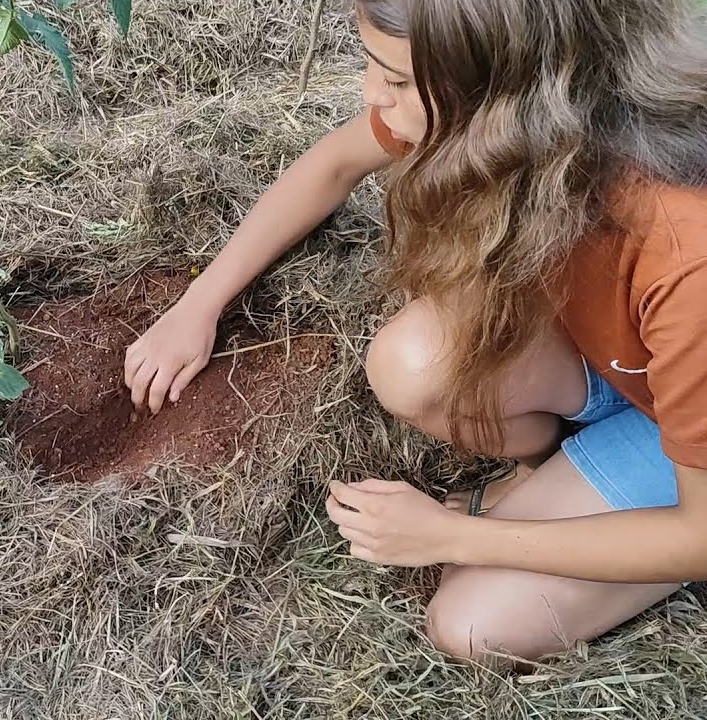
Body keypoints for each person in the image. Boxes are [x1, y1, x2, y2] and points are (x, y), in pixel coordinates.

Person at [123, 0, 707, 666]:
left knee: (474, 624)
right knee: (414, 364)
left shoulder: (686, 255)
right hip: (627, 367)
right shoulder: (527, 121)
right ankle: (550, 467)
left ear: (503, 92)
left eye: (398, 80)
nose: (373, 95)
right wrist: (199, 304)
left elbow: (700, 536)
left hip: (679, 442)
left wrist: (454, 537)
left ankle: (569, 488)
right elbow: (333, 164)